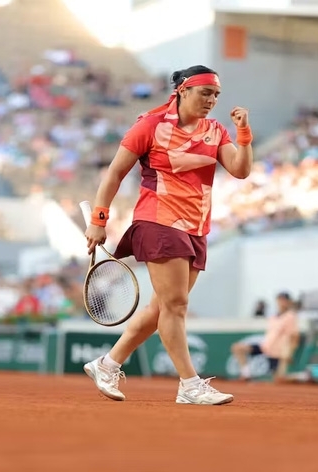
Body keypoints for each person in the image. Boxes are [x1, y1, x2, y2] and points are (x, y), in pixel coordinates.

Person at [82, 65, 254, 405]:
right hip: (158, 220)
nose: (211, 100)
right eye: (205, 93)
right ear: (182, 91)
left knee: (161, 307)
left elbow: (240, 170)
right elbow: (115, 173)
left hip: (196, 226)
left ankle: (107, 363)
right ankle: (190, 384)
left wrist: (244, 133)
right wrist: (99, 219)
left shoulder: (216, 130)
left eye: (216, 95)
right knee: (176, 306)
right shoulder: (149, 125)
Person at [230, 292, 299, 382]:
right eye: (280, 300)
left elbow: (294, 337)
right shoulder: (273, 317)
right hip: (265, 348)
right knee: (238, 348)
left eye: (284, 300)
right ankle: (246, 374)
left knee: (280, 379)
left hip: (278, 353)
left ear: (289, 302)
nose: (282, 302)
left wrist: (289, 353)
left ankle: (303, 376)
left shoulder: (290, 316)